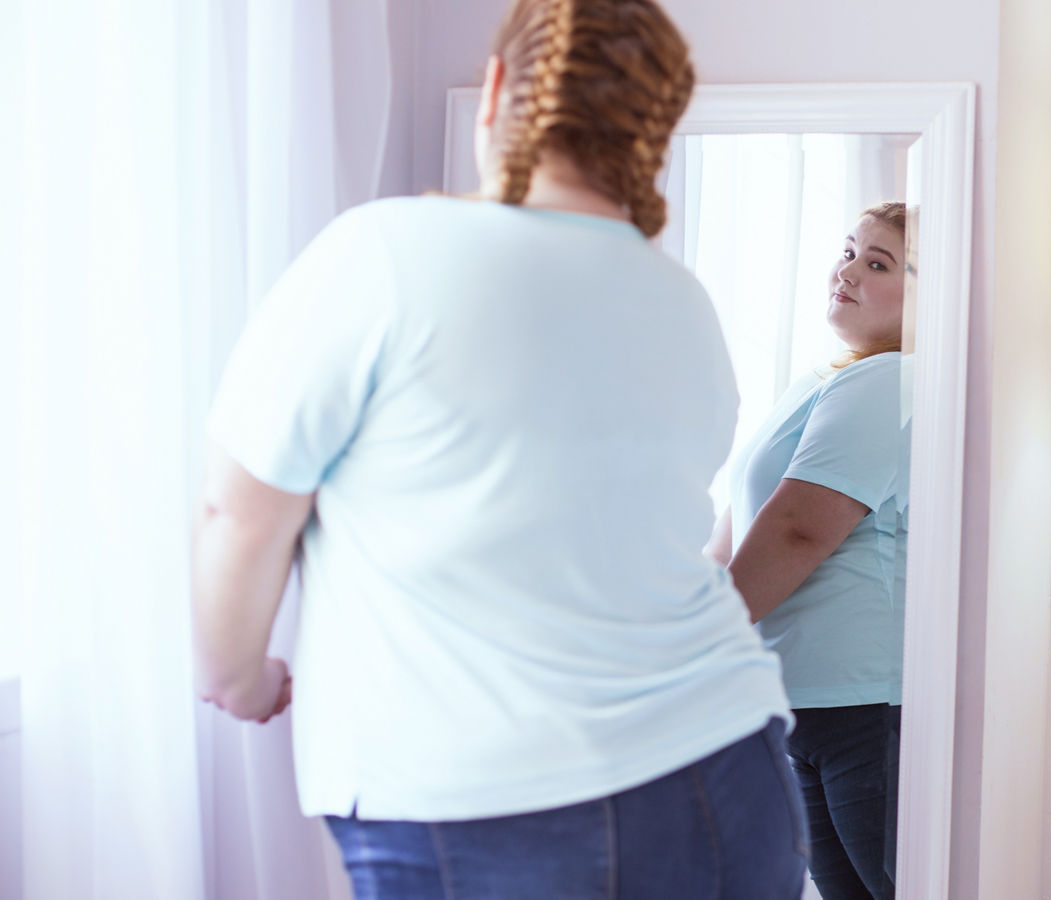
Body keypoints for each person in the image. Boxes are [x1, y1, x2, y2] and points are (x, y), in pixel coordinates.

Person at [189, 1, 807, 897]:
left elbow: (237, 514)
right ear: (653, 130)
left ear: (496, 92)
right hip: (731, 772)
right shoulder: (682, 300)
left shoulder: (385, 253)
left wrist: (238, 679)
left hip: (481, 803)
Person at [708, 202, 911, 900]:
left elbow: (801, 528)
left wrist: (694, 649)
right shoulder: (822, 382)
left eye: (877, 263)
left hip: (863, 707)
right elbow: (735, 532)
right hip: (801, 707)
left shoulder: (893, 378)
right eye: (851, 250)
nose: (848, 270)